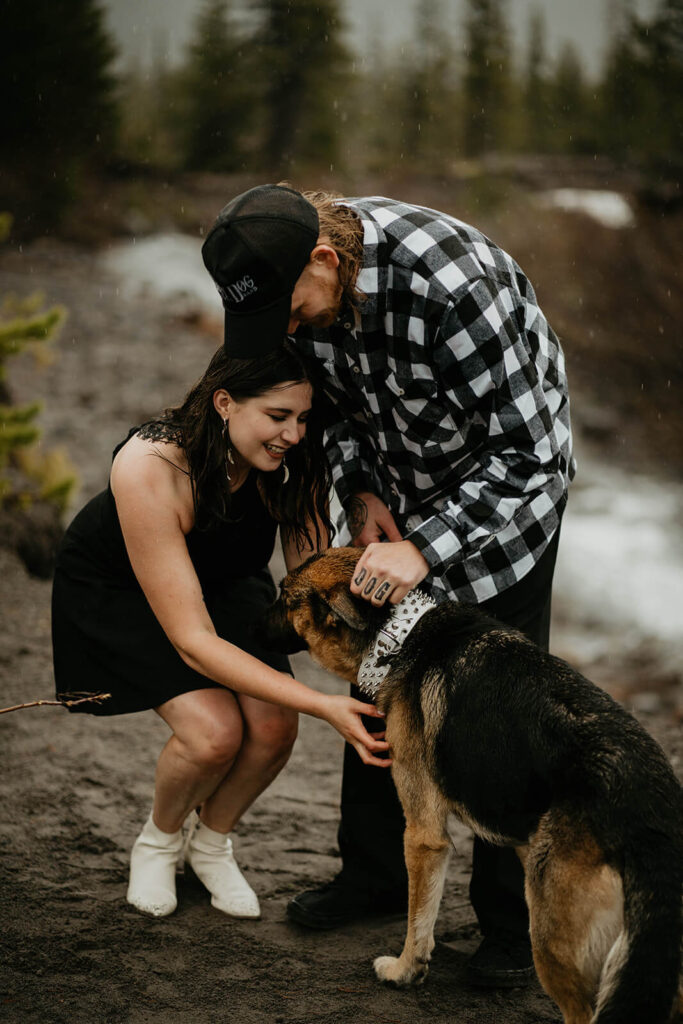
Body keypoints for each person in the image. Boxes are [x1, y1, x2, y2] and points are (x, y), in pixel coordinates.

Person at [201, 184, 574, 987]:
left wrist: (428, 548)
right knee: (375, 677)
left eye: (290, 310)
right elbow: (332, 418)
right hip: (396, 498)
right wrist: (364, 495)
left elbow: (534, 456)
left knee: (493, 707)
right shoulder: (307, 297)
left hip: (500, 506)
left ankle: (508, 930)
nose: (288, 329)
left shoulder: (452, 287)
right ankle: (373, 876)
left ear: (326, 259)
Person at [51, 342, 391, 921]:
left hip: (228, 580)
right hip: (122, 588)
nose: (292, 434)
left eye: (304, 419)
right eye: (278, 417)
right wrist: (324, 704)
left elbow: (307, 579)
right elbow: (194, 641)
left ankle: (210, 842)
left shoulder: (293, 461)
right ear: (225, 402)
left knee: (275, 726)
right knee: (212, 733)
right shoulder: (152, 464)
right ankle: (158, 841)